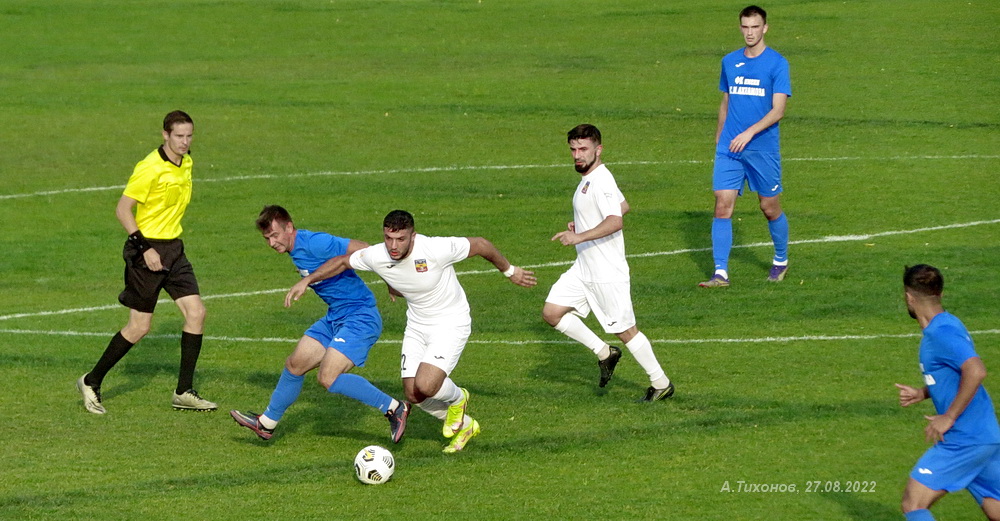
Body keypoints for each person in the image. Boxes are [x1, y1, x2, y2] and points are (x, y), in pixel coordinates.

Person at [285, 210, 536, 453]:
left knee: (427, 384)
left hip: (450, 322)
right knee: (413, 393)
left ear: (413, 236)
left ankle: (459, 399)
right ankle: (466, 425)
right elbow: (342, 261)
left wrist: (510, 271)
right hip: (417, 325)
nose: (393, 246)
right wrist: (308, 280)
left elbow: (481, 244)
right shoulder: (378, 254)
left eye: (400, 239)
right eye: (388, 238)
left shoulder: (435, 249)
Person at [229, 206, 410, 442]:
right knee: (295, 363)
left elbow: (365, 249)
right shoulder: (295, 249)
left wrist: (390, 279)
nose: (272, 243)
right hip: (336, 316)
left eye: (275, 235)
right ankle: (266, 423)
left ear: (289, 227)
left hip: (360, 317)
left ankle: (394, 408)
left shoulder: (315, 243)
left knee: (328, 377)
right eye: (267, 239)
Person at [76, 110, 216, 413]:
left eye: (189, 136)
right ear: (165, 135)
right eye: (179, 136)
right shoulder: (149, 167)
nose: (185, 142)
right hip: (147, 252)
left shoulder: (186, 161)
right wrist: (145, 249)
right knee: (139, 326)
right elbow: (122, 210)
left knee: (196, 313)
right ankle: (91, 380)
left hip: (174, 250)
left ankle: (183, 391)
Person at [542, 124, 674, 401]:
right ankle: (605, 353)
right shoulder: (589, 179)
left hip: (606, 271)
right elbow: (623, 206)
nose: (577, 155)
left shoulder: (601, 180)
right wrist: (584, 223)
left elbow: (616, 220)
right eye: (573, 149)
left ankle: (661, 383)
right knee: (552, 313)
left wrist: (580, 236)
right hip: (584, 268)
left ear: (598, 150)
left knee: (625, 330)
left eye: (583, 149)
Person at [894, 264, 1000, 521]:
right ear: (940, 294)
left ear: (909, 297)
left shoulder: (941, 333)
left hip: (965, 439)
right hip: (984, 436)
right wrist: (924, 392)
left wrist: (949, 416)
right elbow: (955, 374)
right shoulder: (948, 323)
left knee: (913, 503)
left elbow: (976, 371)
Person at [700, 5, 792, 288]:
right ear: (740, 27)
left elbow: (778, 110)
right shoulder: (729, 61)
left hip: (761, 148)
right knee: (722, 205)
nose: (750, 32)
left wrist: (749, 133)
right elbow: (726, 100)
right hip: (730, 148)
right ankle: (720, 273)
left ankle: (780, 260)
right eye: (745, 27)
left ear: (765, 28)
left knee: (769, 207)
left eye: (755, 27)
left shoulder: (777, 64)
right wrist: (720, 135)